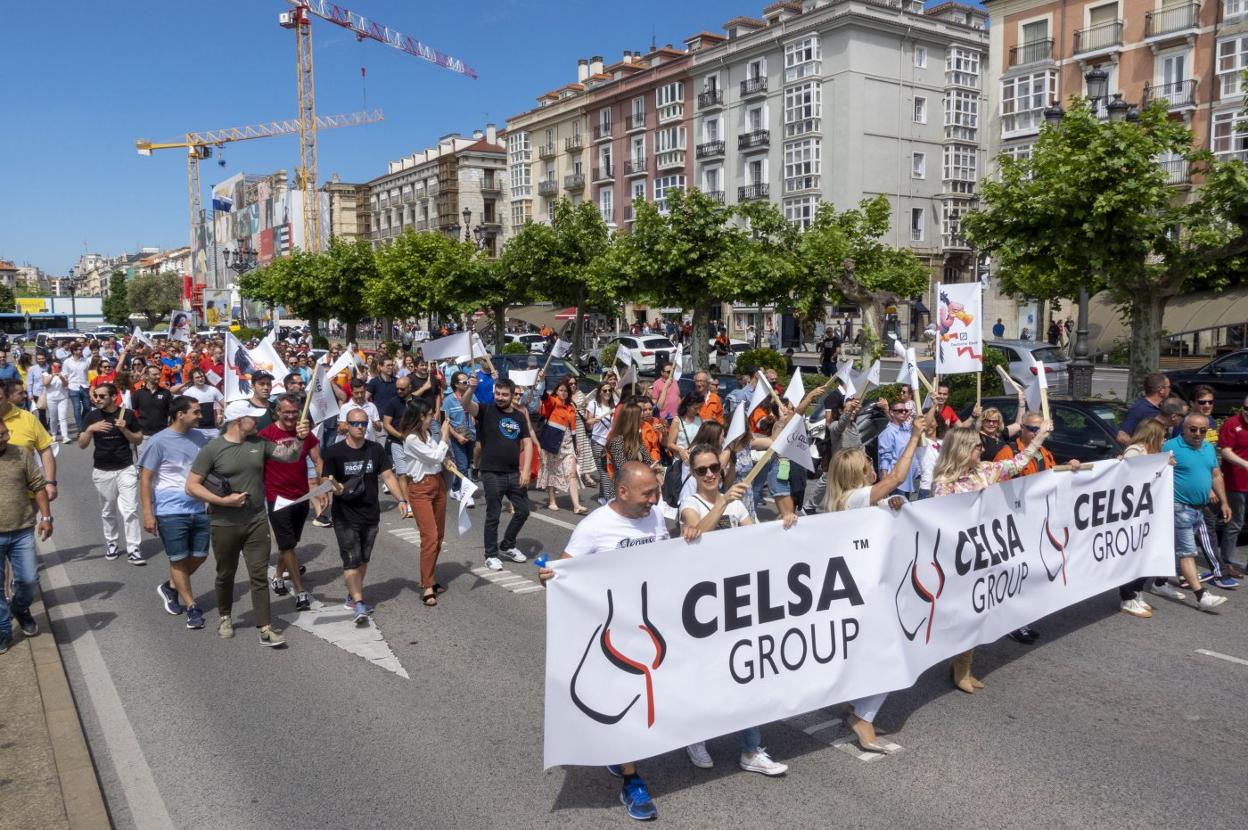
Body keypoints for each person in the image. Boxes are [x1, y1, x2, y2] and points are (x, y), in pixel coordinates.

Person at [537, 462, 669, 821]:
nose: (654, 500)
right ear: (622, 492)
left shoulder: (655, 517)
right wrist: (550, 576)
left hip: (654, 626)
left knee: (650, 702)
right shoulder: (594, 527)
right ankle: (632, 780)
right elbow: (564, 572)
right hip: (613, 634)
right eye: (648, 494)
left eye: (656, 492)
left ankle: (617, 753)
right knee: (623, 705)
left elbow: (670, 559)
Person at [677, 444, 789, 775]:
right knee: (707, 673)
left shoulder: (737, 502)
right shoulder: (690, 504)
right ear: (693, 474)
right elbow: (698, 531)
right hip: (705, 605)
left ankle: (751, 749)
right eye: (702, 470)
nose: (710, 474)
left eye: (714, 468)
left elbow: (753, 538)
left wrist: (784, 524)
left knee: (749, 674)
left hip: (739, 598)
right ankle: (695, 735)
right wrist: (723, 501)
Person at [825, 411, 926, 752]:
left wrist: (892, 503)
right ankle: (863, 717)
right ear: (858, 473)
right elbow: (897, 476)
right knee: (894, 652)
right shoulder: (854, 498)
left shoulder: (850, 499)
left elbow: (888, 499)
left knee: (869, 653)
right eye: (867, 462)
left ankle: (856, 706)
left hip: (863, 589)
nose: (872, 464)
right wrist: (914, 437)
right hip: (866, 592)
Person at [933, 421, 1054, 692]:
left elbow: (1018, 463)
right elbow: (940, 521)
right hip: (959, 559)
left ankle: (963, 665)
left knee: (979, 611)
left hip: (986, 553)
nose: (982, 449)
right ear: (963, 450)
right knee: (963, 614)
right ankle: (957, 666)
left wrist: (1040, 439)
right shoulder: (944, 484)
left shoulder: (986, 470)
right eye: (978, 446)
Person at [186, 399, 304, 647]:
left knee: (259, 575)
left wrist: (300, 438)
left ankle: (265, 627)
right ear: (239, 421)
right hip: (224, 523)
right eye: (254, 417)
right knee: (225, 573)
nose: (259, 421)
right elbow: (192, 486)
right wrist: (224, 500)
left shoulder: (259, 443)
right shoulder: (213, 449)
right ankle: (225, 616)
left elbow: (290, 456)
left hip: (256, 521)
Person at [322, 402, 405, 623]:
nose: (360, 427)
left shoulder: (375, 449)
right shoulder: (334, 452)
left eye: (363, 423)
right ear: (346, 426)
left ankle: (353, 592)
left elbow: (387, 476)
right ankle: (359, 603)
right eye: (355, 423)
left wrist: (401, 499)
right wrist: (334, 487)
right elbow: (325, 480)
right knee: (351, 560)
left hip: (370, 514)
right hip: (345, 516)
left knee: (363, 560)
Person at [138, 396, 211, 629]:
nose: (201, 416)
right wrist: (148, 513)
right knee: (178, 558)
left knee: (200, 555)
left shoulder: (201, 437)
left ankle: (170, 586)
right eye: (196, 412)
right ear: (181, 414)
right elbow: (146, 479)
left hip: (198, 506)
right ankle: (192, 607)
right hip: (169, 510)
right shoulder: (159, 441)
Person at [259, 394, 323, 611]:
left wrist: (322, 486)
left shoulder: (307, 435)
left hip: (301, 496)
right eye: (286, 412)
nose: (290, 416)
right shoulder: (266, 435)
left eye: (294, 412)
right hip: (277, 497)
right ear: (278, 412)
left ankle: (278, 575)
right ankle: (300, 591)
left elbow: (317, 460)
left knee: (291, 544)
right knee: (286, 544)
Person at [463, 377, 533, 571]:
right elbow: (466, 404)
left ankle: (508, 544)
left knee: (523, 510)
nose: (500, 398)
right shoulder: (486, 410)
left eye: (504, 394)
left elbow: (527, 443)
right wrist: (471, 388)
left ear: (512, 395)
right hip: (491, 472)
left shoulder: (519, 416)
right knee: (493, 514)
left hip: (513, 473)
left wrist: (526, 469)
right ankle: (491, 555)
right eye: (497, 394)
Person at [1163, 413, 1231, 611]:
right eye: (1193, 429)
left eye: (1203, 430)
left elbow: (1216, 475)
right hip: (1179, 507)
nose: (1198, 434)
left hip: (1199, 509)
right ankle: (1201, 595)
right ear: (1184, 429)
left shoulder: (1209, 448)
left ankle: (1158, 582)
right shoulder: (1170, 447)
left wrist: (1225, 502)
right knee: (1187, 552)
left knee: (1174, 548)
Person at [0, 420, 54, 654]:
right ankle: (3, 631)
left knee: (29, 580)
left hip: (22, 530)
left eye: (5, 433)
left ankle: (20, 609)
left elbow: (38, 486)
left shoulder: (21, 453)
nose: (4, 438)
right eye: (0, 435)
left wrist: (46, 518)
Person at [79, 382, 144, 564]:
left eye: (102, 396)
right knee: (108, 511)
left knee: (130, 509)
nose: (97, 399)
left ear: (113, 397)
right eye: (96, 396)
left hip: (125, 468)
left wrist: (124, 429)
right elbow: (82, 444)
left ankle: (134, 548)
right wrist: (91, 429)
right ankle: (112, 543)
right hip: (102, 470)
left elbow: (138, 440)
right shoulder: (92, 416)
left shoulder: (128, 415)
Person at [1118, 420, 1174, 617]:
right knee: (1135, 555)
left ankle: (1137, 590)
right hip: (1134, 512)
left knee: (1150, 553)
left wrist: (1165, 464)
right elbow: (1128, 475)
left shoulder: (1153, 453)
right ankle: (1127, 596)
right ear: (1153, 435)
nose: (1165, 440)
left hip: (1149, 511)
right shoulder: (1134, 450)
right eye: (1162, 435)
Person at [402, 398, 452, 607]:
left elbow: (438, 458)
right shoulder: (411, 438)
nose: (432, 418)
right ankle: (427, 585)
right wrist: (445, 435)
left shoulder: (428, 434)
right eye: (429, 415)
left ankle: (430, 577)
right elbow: (433, 457)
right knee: (429, 537)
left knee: (439, 536)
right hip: (420, 488)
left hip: (437, 484)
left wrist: (446, 459)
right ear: (420, 417)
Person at [537, 376, 586, 514]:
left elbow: (573, 428)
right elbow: (544, 396)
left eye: (566, 391)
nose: (564, 393)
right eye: (561, 390)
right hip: (552, 444)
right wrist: (542, 381)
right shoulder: (552, 402)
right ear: (557, 391)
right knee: (552, 472)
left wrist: (576, 445)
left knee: (572, 473)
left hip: (568, 444)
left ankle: (576, 505)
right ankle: (552, 501)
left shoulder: (571, 406)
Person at [1218, 393, 1248, 576]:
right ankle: (1227, 561)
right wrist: (1244, 463)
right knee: (1236, 522)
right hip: (1237, 483)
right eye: (1246, 408)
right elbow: (1226, 451)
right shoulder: (1232, 424)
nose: (1247, 413)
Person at [442, 371, 476, 502]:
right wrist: (456, 436)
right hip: (457, 437)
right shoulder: (448, 400)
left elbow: (477, 411)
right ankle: (467, 494)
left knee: (467, 465)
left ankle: (455, 488)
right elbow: (445, 422)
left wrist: (474, 417)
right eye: (464, 382)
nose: (467, 383)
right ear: (456, 384)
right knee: (462, 466)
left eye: (467, 381)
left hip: (471, 435)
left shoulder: (471, 396)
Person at [877, 397, 920, 500]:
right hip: (895, 482)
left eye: (906, 410)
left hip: (907, 478)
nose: (904, 413)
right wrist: (885, 485)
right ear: (892, 413)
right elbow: (884, 460)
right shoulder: (887, 433)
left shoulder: (906, 429)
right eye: (900, 411)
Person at [584, 379, 617, 505]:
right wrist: (593, 420)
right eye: (605, 390)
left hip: (611, 442)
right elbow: (588, 423)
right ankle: (610, 500)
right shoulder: (593, 404)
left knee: (610, 470)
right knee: (604, 471)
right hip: (598, 441)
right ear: (599, 392)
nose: (608, 392)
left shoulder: (614, 406)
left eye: (610, 390)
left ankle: (602, 496)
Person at [1116, 373, 1171, 445]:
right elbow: (1122, 436)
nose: (1170, 389)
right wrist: (1142, 451)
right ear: (1161, 390)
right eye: (1168, 387)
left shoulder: (1161, 407)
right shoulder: (1139, 409)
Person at [382, 376, 414, 496]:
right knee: (402, 473)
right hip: (397, 442)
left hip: (415, 443)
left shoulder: (417, 402)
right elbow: (386, 424)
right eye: (397, 389)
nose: (399, 391)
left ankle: (415, 498)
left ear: (410, 387)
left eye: (402, 389)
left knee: (413, 473)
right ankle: (407, 503)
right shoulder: (392, 403)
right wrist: (400, 436)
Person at [132, 364, 173, 438]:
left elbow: (171, 412)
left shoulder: (166, 393)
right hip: (144, 435)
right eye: (155, 374)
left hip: (162, 434)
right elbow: (134, 411)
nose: (158, 376)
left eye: (159, 374)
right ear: (147, 376)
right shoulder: (138, 393)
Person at [181, 368, 224, 437]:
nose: (200, 379)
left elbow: (225, 404)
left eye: (202, 376)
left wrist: (220, 414)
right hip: (196, 430)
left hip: (212, 429)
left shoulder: (213, 389)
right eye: (197, 377)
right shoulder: (187, 393)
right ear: (192, 379)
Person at [664, 393, 703, 467]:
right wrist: (681, 450)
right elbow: (670, 444)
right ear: (688, 405)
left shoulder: (699, 419)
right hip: (681, 462)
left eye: (699, 408)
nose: (698, 411)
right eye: (695, 408)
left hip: (696, 460)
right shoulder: (677, 420)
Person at [62, 341, 92, 433]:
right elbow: (65, 375)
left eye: (81, 349)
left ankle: (82, 423)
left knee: (87, 408)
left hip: (84, 386)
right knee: (77, 407)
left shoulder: (85, 361)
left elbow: (88, 373)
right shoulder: (67, 362)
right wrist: (66, 385)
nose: (80, 351)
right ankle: (80, 428)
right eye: (78, 350)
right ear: (73, 351)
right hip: (73, 387)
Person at [44, 360, 71, 443]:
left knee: (62, 418)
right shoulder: (46, 374)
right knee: (53, 418)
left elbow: (66, 385)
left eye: (59, 367)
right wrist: (52, 375)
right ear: (51, 366)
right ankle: (54, 435)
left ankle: (65, 436)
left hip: (62, 398)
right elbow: (45, 383)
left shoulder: (63, 374)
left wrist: (61, 377)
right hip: (51, 399)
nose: (57, 368)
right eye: (55, 366)